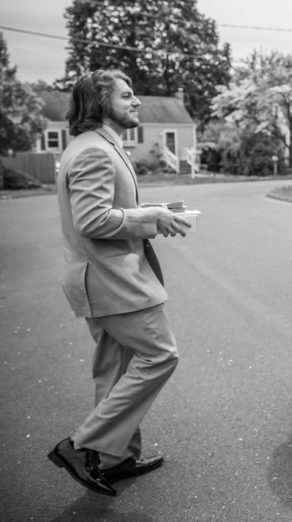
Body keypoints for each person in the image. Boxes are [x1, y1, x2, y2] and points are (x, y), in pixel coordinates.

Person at [48, 70, 189, 497]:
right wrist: (148, 219)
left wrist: (155, 210)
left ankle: (113, 460)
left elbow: (110, 207)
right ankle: (82, 445)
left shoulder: (98, 145)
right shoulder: (94, 151)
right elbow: (92, 220)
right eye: (126, 96)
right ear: (99, 102)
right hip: (112, 279)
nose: (136, 102)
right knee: (160, 356)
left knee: (115, 367)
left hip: (99, 279)